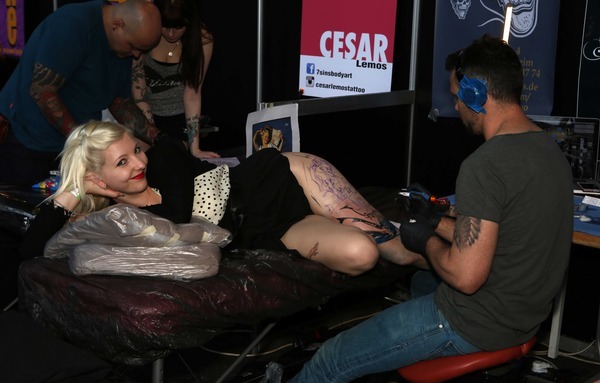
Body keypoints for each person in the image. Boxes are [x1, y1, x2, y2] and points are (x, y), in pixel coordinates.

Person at [247, 34, 574, 383]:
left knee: (333, 358)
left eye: (457, 96)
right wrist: (437, 220)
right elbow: (506, 234)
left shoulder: (485, 164)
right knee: (420, 281)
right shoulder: (549, 149)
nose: (456, 106)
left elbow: (466, 278)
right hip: (524, 316)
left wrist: (426, 238)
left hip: (476, 322)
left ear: (475, 94)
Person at [20, 120, 423, 276]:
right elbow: (31, 252)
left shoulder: (165, 157)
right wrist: (74, 191)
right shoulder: (114, 217)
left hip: (282, 179)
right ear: (96, 177)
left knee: (397, 253)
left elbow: (177, 216)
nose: (139, 162)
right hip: (264, 232)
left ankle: (442, 269)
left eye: (135, 150)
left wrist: (117, 192)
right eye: (122, 162)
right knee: (361, 255)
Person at [0, 0, 162, 187]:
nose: (136, 54)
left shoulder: (122, 46)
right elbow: (42, 91)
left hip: (72, 146)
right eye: (133, 46)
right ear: (117, 26)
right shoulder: (72, 25)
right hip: (26, 140)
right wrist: (84, 142)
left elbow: (119, 102)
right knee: (23, 202)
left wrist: (158, 138)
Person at [131, 0, 220, 159]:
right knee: (139, 156)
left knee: (171, 157)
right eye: (165, 26)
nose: (171, 33)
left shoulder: (202, 39)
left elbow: (192, 95)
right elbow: (139, 95)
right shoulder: (145, 32)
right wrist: (152, 133)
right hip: (146, 115)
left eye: (178, 27)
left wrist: (195, 149)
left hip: (179, 117)